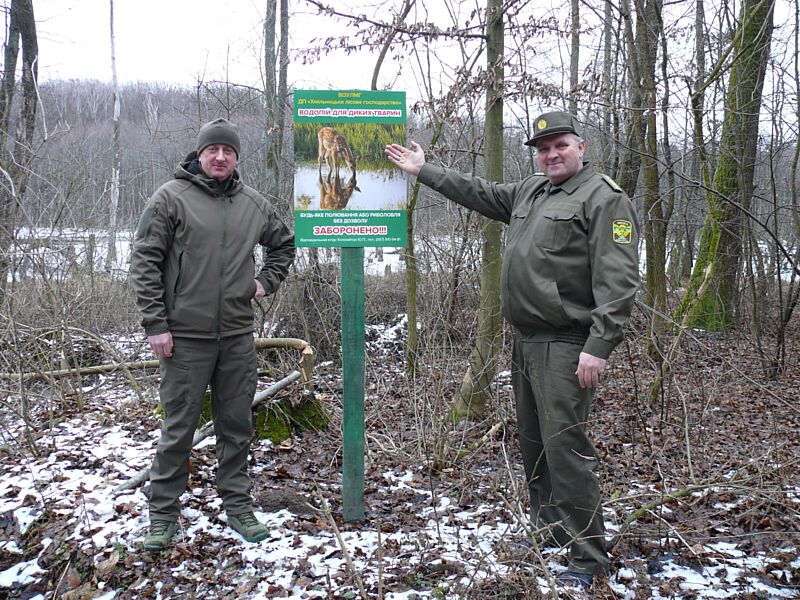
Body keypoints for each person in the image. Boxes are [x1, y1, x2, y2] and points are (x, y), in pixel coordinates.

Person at [385, 111, 639, 590]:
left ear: (581, 147)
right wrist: (424, 170)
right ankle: (550, 530)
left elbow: (620, 280)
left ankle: (588, 557)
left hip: (568, 344)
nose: (551, 155)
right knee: (535, 445)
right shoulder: (532, 191)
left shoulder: (604, 198)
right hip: (527, 340)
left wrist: (599, 345)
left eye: (560, 145)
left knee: (566, 450)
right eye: (543, 149)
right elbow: (479, 192)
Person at [130, 118, 295, 551]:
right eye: (212, 150)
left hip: (237, 336)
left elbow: (284, 244)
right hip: (184, 337)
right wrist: (155, 324)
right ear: (199, 154)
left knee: (236, 424)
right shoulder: (171, 198)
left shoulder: (253, 204)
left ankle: (238, 505)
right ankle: (163, 514)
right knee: (178, 427)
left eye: (228, 151)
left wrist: (264, 282)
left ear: (237, 157)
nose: (220, 157)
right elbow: (144, 262)